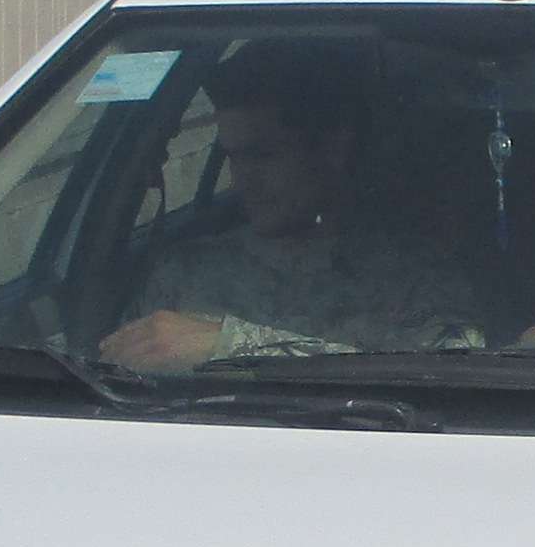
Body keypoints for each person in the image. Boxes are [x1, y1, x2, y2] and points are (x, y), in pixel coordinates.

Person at [100, 44, 484, 367]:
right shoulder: (183, 275)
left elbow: (445, 379)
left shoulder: (413, 277)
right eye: (235, 158)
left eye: (262, 156)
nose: (240, 181)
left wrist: (225, 345)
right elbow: (106, 381)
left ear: (334, 147)